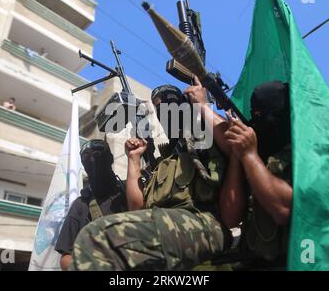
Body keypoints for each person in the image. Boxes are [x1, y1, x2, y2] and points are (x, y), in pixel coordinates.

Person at [70, 85, 240, 271]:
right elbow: (136, 208)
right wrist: (134, 159)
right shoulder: (162, 162)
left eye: (170, 105)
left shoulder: (203, 142)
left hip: (204, 223)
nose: (166, 114)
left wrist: (202, 106)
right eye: (160, 109)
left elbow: (237, 146)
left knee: (97, 238)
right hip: (167, 231)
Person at [187, 78, 292, 268]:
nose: (255, 122)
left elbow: (283, 209)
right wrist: (238, 156)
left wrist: (249, 155)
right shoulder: (259, 159)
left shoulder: (302, 158)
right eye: (254, 114)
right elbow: (230, 218)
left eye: (260, 114)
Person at [55, 139, 127, 270]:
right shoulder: (81, 205)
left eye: (98, 154)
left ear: (110, 159)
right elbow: (66, 257)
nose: (92, 160)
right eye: (86, 157)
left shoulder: (128, 190)